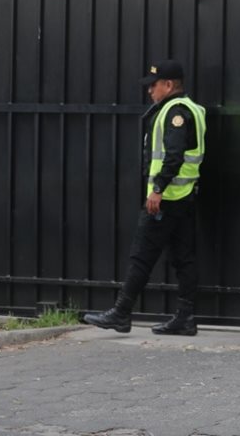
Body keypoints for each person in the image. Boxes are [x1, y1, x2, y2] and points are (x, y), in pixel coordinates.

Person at [84, 59, 207, 336]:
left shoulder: (175, 112)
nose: (150, 90)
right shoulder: (193, 109)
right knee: (184, 258)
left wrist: (158, 189)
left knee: (141, 255)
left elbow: (174, 155)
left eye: (154, 85)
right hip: (185, 196)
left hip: (167, 198)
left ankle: (121, 313)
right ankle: (185, 318)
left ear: (169, 85)